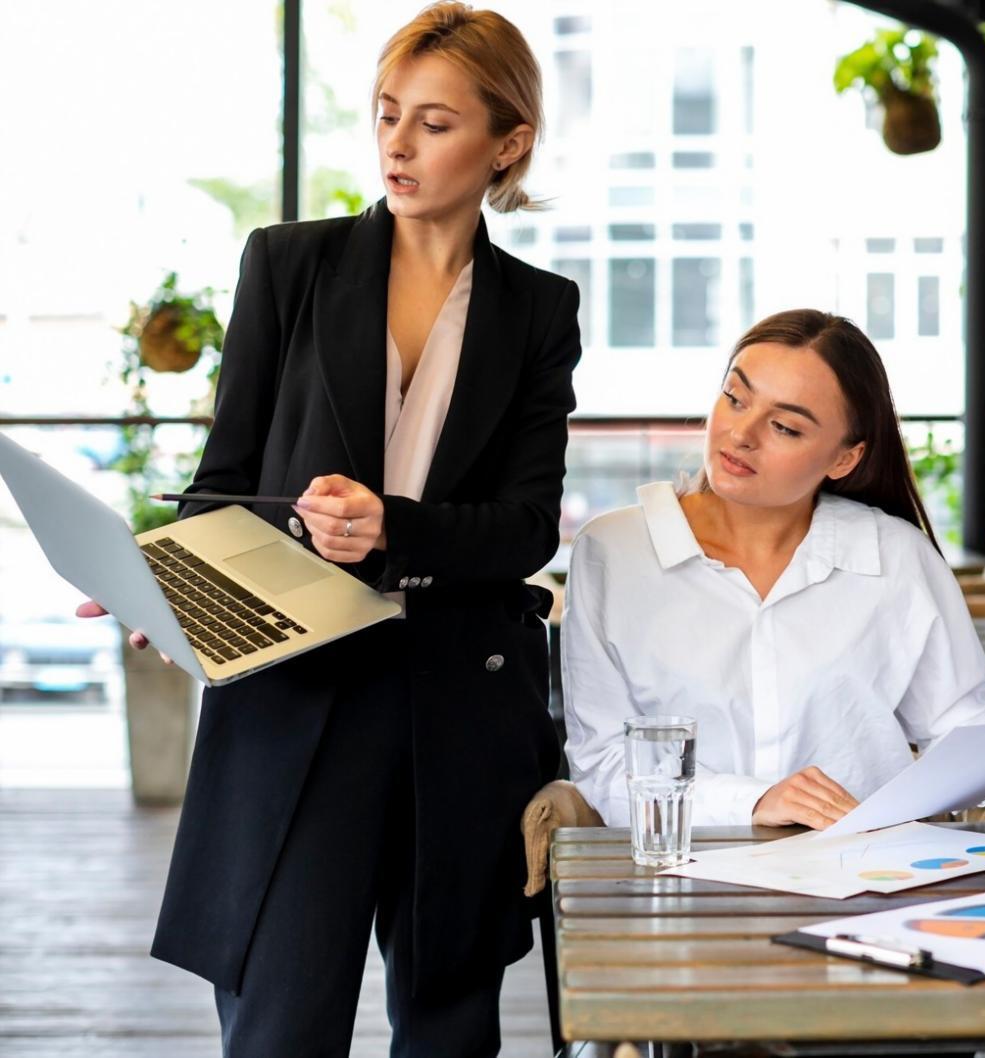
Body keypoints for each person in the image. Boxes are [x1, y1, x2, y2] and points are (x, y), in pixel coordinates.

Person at [77, 4, 579, 1053]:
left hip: (459, 698)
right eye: (389, 114)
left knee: (447, 1023)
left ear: (508, 140)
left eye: (435, 123)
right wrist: (174, 585)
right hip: (300, 686)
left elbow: (527, 525)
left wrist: (390, 527)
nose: (398, 144)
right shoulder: (289, 266)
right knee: (280, 1022)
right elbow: (225, 483)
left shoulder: (538, 309)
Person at [561, 310, 985, 829]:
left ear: (844, 459)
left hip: (865, 877)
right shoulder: (613, 552)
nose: (741, 434)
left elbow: (957, 726)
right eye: (735, 398)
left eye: (785, 426)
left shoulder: (895, 556)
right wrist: (754, 802)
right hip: (681, 879)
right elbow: (604, 766)